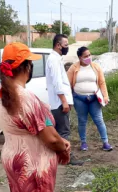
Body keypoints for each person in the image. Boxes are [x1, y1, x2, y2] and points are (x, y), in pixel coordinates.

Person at [0, 42, 71, 192]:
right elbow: (51, 139)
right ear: (26, 67)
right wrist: (63, 146)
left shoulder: (2, 94)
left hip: (14, 159)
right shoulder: (26, 98)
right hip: (32, 165)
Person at [46, 34, 84, 166]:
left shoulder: (56, 59)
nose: (67, 47)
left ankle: (58, 156)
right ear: (58, 45)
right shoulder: (54, 60)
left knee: (58, 131)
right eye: (66, 45)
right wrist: (64, 101)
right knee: (64, 132)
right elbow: (57, 83)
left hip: (58, 102)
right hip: (59, 103)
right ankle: (67, 157)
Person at [67, 47, 113, 151]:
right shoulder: (73, 68)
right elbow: (68, 84)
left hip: (94, 98)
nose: (88, 57)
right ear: (80, 57)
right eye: (85, 56)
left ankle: (105, 142)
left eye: (89, 55)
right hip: (79, 99)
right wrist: (69, 99)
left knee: (99, 120)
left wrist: (105, 96)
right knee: (82, 120)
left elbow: (102, 82)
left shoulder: (96, 67)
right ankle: (83, 143)